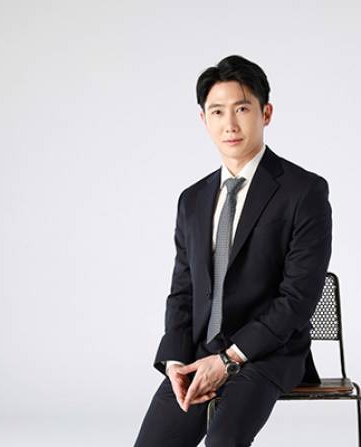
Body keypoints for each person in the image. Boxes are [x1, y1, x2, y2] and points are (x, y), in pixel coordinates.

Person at [133, 54, 332, 447]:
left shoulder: (303, 191)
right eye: (217, 111)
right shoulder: (192, 199)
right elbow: (183, 291)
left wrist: (229, 359)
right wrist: (175, 360)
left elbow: (298, 299)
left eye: (242, 109)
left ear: (266, 113)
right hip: (200, 353)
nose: (230, 124)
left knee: (223, 440)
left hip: (269, 352)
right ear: (203, 119)